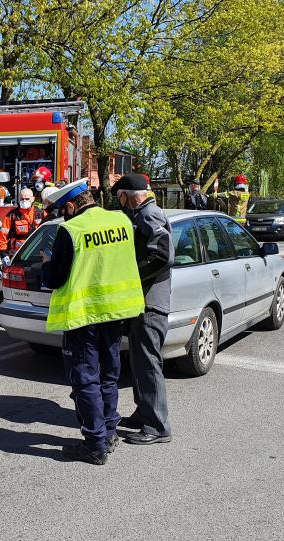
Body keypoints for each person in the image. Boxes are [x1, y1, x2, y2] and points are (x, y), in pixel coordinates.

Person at [42, 179, 146, 465]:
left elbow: (56, 277)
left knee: (86, 380)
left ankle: (95, 445)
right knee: (109, 375)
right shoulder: (122, 221)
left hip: (84, 316)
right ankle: (109, 432)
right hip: (115, 313)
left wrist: (47, 265)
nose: (63, 215)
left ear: (73, 205)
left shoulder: (71, 229)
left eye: (63, 210)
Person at [113, 174, 174, 444]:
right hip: (143, 303)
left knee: (148, 364)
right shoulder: (143, 214)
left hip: (151, 304)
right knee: (139, 362)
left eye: (120, 197)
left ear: (128, 195)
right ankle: (144, 413)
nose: (119, 202)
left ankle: (157, 426)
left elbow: (162, 255)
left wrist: (131, 276)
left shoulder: (149, 215)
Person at [0, 188, 41, 266]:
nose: (24, 201)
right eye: (22, 199)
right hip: (17, 256)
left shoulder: (40, 213)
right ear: (18, 199)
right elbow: (2, 235)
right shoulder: (12, 215)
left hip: (36, 255)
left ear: (33, 199)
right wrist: (3, 253)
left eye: (27, 199)